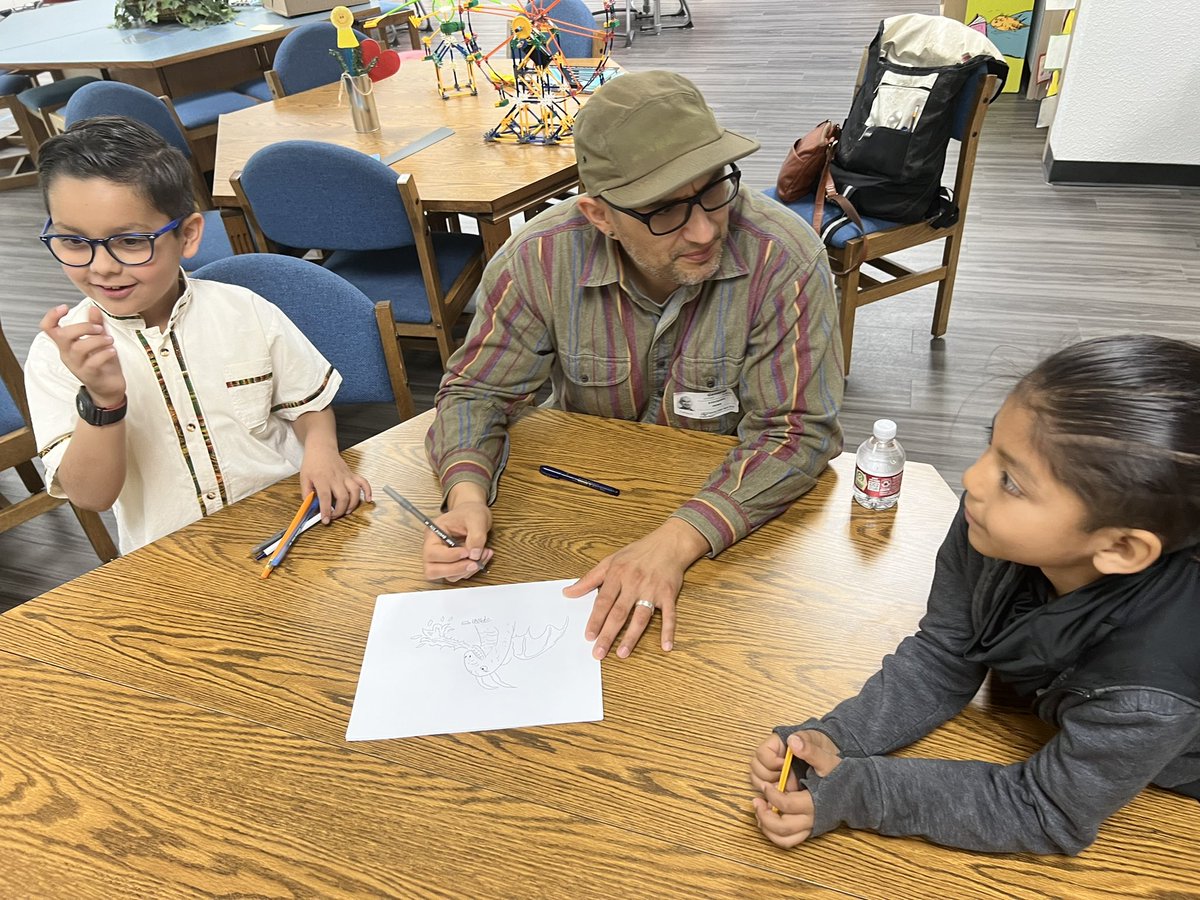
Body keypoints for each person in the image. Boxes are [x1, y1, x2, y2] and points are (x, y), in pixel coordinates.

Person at [423, 71, 844, 660]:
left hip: (732, 525)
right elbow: (475, 393)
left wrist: (673, 543)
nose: (703, 229)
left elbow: (798, 432)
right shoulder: (539, 260)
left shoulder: (784, 258)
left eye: (712, 190)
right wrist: (465, 495)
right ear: (599, 215)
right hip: (575, 512)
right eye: (664, 210)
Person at [750, 334, 1200, 856]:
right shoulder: (990, 523)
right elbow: (945, 653)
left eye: (1012, 480)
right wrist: (836, 739)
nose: (973, 478)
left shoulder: (1151, 694)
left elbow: (1044, 809)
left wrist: (862, 790)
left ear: (1121, 546)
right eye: (991, 444)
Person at [24, 116, 370, 555]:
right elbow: (92, 497)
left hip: (293, 524)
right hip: (176, 558)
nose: (102, 267)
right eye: (74, 242)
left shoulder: (244, 310)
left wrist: (323, 452)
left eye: (130, 241)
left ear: (187, 235)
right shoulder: (56, 356)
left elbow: (307, 403)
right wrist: (103, 402)